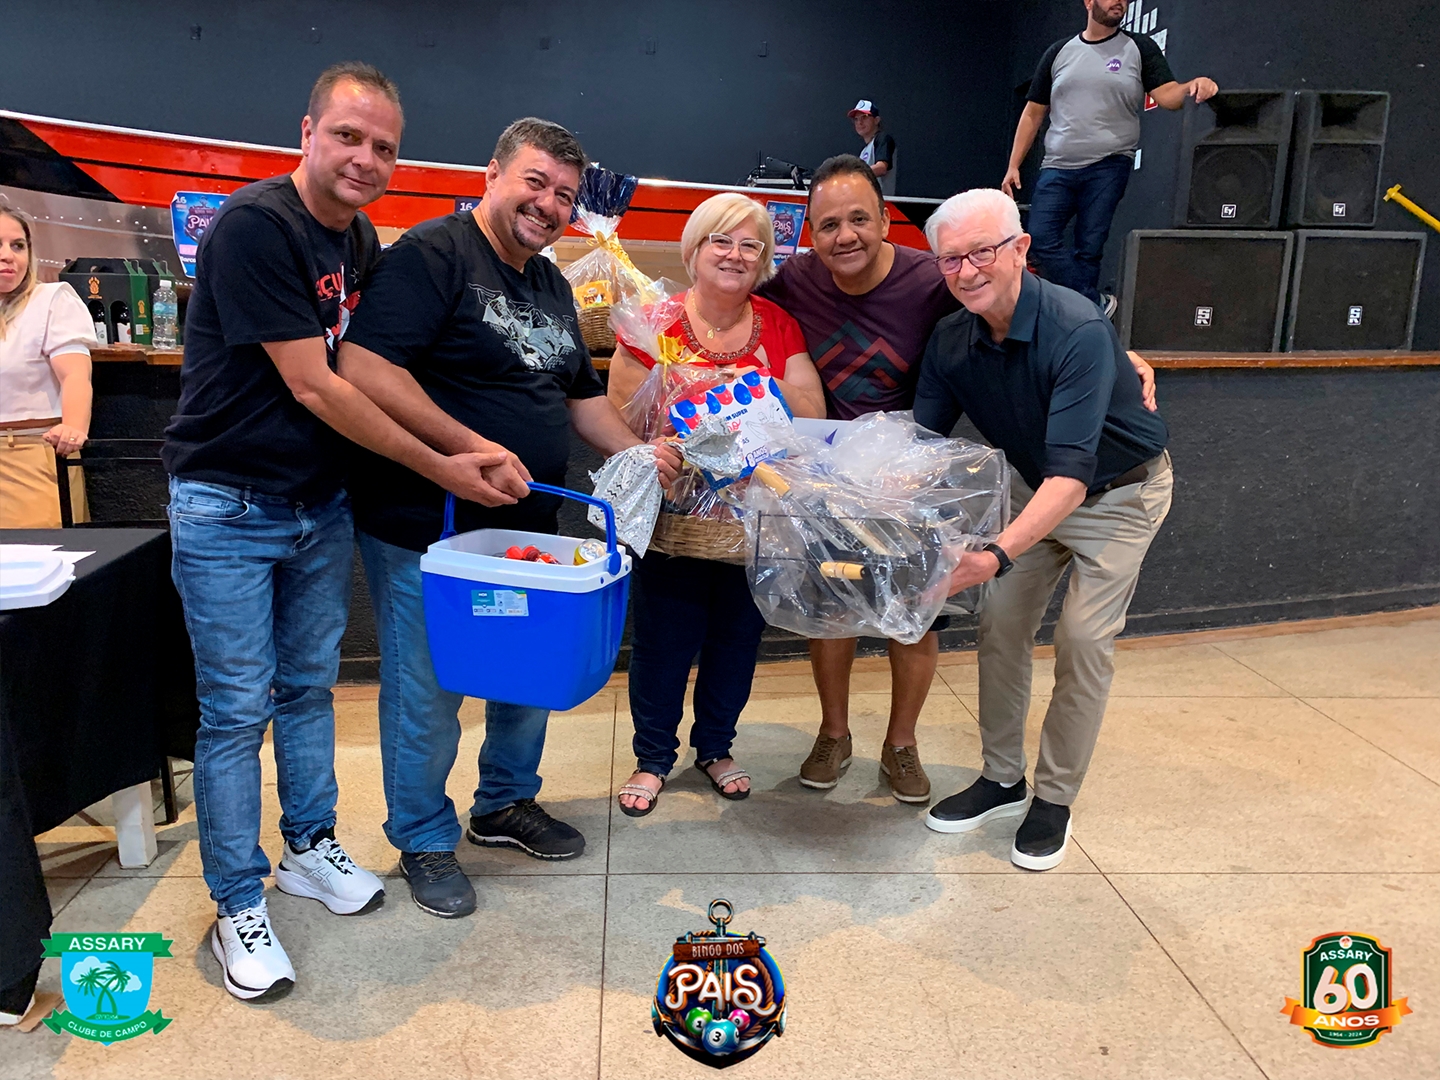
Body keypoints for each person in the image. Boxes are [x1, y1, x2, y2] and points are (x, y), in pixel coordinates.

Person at [162, 62, 513, 1002]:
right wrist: (442, 463)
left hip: (316, 506)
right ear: (308, 132)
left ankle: (308, 848)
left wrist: (465, 436)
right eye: (349, 137)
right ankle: (238, 902)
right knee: (236, 712)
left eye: (384, 147)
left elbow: (366, 365)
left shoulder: (356, 238)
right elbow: (318, 384)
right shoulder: (255, 226)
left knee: (309, 689)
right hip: (228, 504)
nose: (365, 159)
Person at [337, 118, 681, 919]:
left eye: (564, 194)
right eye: (534, 182)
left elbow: (581, 401)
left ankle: (503, 804)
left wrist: (642, 453)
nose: (548, 204)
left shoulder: (552, 284)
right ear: (491, 174)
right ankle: (423, 836)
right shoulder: (432, 254)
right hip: (429, 528)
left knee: (527, 673)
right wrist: (469, 445)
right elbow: (364, 366)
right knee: (427, 692)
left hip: (527, 527)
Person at [914, 188, 1172, 871]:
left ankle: (1054, 798)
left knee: (1083, 638)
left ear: (1021, 248)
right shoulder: (951, 339)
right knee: (1000, 623)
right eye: (951, 259)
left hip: (1121, 492)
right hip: (1038, 484)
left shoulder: (1076, 328)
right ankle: (1002, 778)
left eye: (983, 252)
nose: (967, 271)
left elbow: (1073, 477)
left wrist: (993, 555)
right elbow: (919, 447)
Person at [606, 192, 826, 817]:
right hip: (673, 516)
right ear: (694, 249)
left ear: (764, 258)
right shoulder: (652, 320)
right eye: (720, 240)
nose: (735, 255)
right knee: (663, 642)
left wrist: (757, 386)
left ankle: (716, 748)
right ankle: (652, 756)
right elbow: (621, 417)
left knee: (736, 638)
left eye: (750, 245)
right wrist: (661, 441)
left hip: (752, 519)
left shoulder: (777, 324)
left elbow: (812, 411)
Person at [756, 154, 959, 803]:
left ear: (884, 219)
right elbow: (732, 311)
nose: (845, 236)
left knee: (916, 620)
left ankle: (901, 745)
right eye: (828, 225)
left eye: (859, 220)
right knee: (830, 613)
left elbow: (1009, 303)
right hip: (827, 482)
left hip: (910, 480)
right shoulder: (796, 281)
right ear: (811, 233)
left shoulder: (930, 280)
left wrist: (1110, 348)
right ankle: (834, 734)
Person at [1002, 0, 1218, 313]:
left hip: (1108, 164)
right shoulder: (1058, 52)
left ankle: (1081, 321)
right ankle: (1093, 305)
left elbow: (1167, 96)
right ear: (1089, 2)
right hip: (1058, 165)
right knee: (1039, 238)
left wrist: (1190, 86)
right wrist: (1013, 165)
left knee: (1088, 249)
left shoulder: (1139, 48)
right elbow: (1033, 112)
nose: (1120, 2)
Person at [0, 204, 96, 528]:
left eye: (18, 245)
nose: (8, 256)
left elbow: (76, 376)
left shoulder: (51, 301)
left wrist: (74, 428)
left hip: (32, 456)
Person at [849, 100, 897, 196]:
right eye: (856, 119)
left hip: (882, 200)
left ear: (876, 120)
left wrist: (853, 175)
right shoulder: (864, 151)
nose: (859, 122)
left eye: (864, 117)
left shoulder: (883, 139)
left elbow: (881, 168)